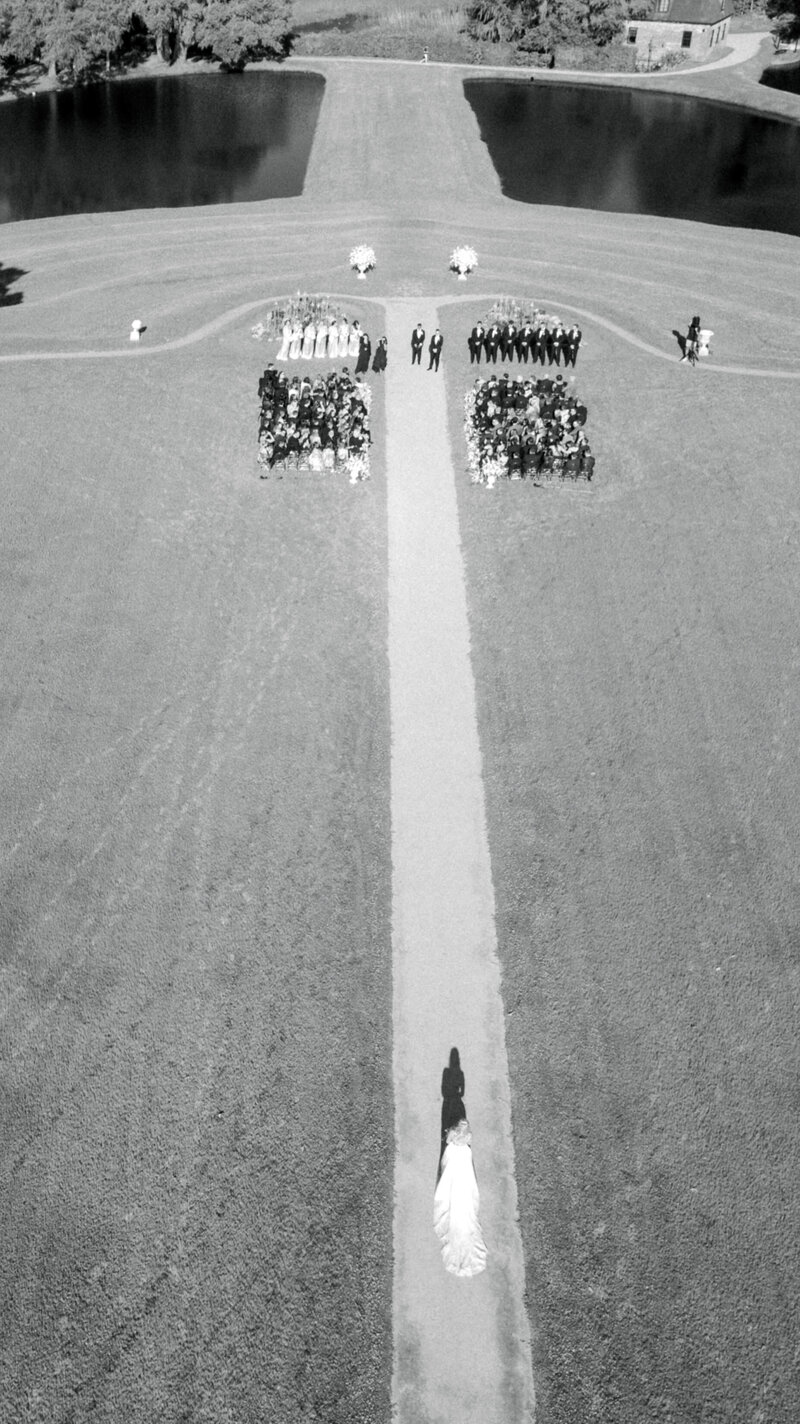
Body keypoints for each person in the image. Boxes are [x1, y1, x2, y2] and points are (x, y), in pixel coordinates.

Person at [433, 1119, 487, 1278]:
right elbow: (467, 1142)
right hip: (463, 1158)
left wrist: (449, 1134)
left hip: (454, 1157)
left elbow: (448, 1140)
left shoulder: (453, 1134)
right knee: (464, 1188)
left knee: (448, 1184)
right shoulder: (468, 1137)